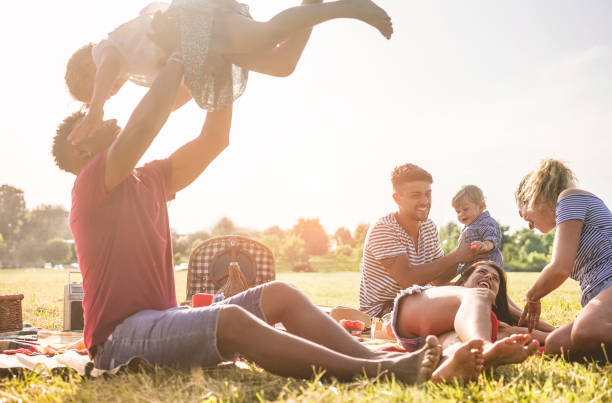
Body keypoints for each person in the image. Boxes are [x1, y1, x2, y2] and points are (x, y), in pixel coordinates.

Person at [52, 42, 458, 383]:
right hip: (120, 339)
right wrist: (180, 54)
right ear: (82, 145)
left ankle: (379, 361)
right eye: (98, 121)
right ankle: (377, 373)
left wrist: (221, 68)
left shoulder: (149, 178)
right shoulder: (89, 185)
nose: (111, 119)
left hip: (162, 319)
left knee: (279, 293)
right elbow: (145, 126)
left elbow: (214, 139)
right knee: (229, 319)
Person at [65, 0, 393, 144]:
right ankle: (314, 2)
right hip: (203, 51)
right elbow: (174, 94)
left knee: (267, 34)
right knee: (283, 65)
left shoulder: (105, 50)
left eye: (95, 89)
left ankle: (350, 6)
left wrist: (96, 111)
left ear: (85, 67)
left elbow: (105, 68)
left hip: (192, 24)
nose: (108, 92)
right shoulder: (133, 70)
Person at [359, 163, 489, 318]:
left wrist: (469, 257)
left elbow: (438, 278)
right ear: (397, 198)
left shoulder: (428, 227)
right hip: (382, 311)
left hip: (417, 300)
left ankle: (519, 323)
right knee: (467, 302)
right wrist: (456, 256)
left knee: (480, 291)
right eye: (416, 195)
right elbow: (408, 279)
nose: (425, 201)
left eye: (428, 194)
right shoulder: (383, 229)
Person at [515, 159, 612, 360]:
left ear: (533, 195)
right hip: (601, 294)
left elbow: (560, 267)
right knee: (555, 343)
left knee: (586, 332)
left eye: (522, 208)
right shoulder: (569, 220)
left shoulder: (569, 198)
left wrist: (532, 296)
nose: (528, 225)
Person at [390, 261, 541, 382]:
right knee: (479, 300)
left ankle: (449, 367)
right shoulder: (456, 291)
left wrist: (557, 331)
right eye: (482, 272)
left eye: (495, 279)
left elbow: (516, 331)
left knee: (461, 345)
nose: (489, 277)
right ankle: (484, 347)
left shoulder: (477, 319)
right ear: (463, 281)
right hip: (412, 310)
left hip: (428, 342)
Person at [452, 185, 504, 274]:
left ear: (481, 206)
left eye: (465, 209)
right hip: (472, 269)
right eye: (458, 211)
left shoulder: (485, 222)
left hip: (487, 268)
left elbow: (492, 236)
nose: (461, 214)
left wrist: (485, 245)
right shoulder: (468, 227)